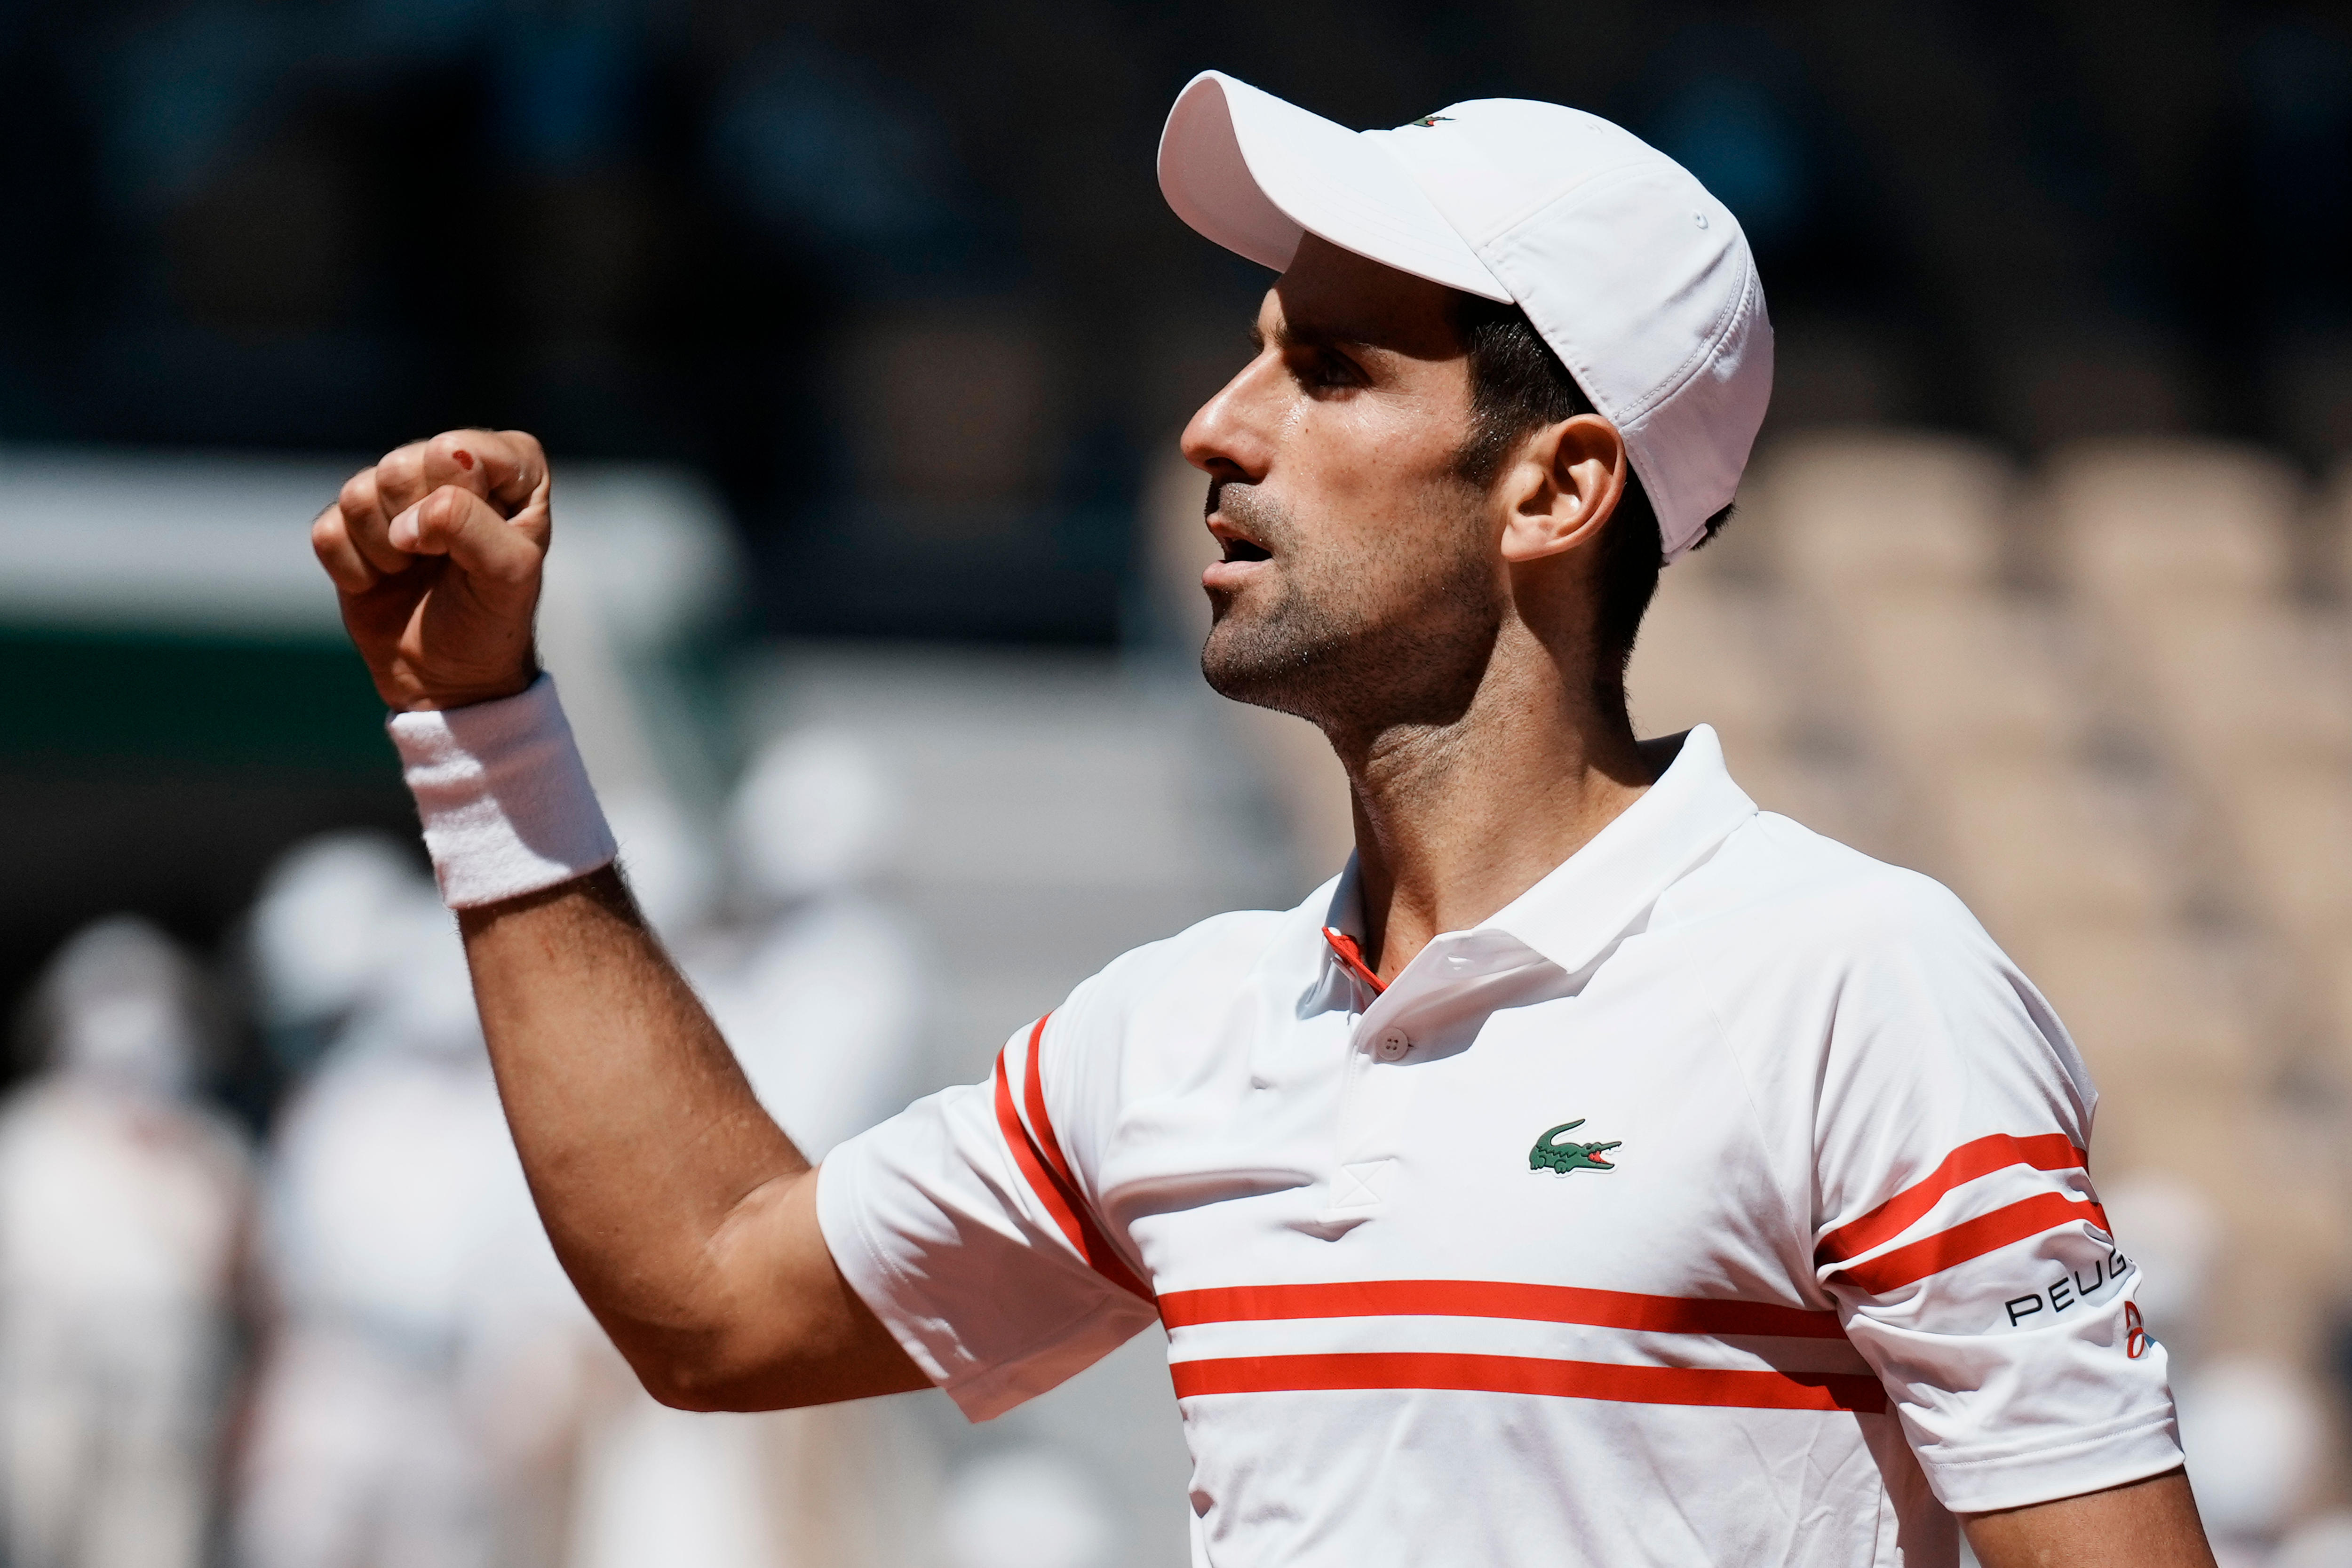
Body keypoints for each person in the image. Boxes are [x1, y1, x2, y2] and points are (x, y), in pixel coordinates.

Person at [308, 72, 2216, 1568]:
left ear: (1554, 486)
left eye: (1322, 368)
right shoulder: (1174, 1032)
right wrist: (480, 726)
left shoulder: (1852, 984)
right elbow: (712, 1294)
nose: (1215, 426)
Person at [0, 918, 252, 1568]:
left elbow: (242, 1282)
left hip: (167, 1416)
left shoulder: (211, 1150)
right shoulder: (24, 1138)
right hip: (46, 1403)